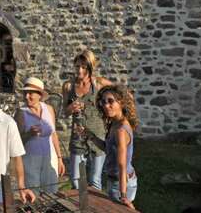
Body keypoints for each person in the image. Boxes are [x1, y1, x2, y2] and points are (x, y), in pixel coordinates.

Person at [62, 50, 112, 190]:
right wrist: (71, 108)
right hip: (78, 138)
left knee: (95, 181)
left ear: (90, 67)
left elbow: (118, 94)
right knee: (76, 180)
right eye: (77, 66)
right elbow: (64, 112)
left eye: (84, 67)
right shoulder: (68, 86)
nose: (80, 70)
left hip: (97, 137)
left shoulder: (99, 83)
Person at [84, 85, 138, 210]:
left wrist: (123, 195)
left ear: (121, 102)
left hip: (121, 183)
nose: (106, 105)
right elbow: (108, 149)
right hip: (116, 180)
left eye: (110, 101)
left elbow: (122, 164)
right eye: (103, 102)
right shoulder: (114, 123)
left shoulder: (120, 130)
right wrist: (90, 136)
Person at [14, 77, 65, 195]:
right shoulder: (21, 113)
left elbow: (53, 134)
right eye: (25, 93)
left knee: (51, 192)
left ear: (40, 95)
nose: (26, 97)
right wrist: (29, 134)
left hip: (49, 158)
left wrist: (59, 159)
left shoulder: (49, 109)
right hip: (30, 160)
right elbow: (16, 142)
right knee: (33, 194)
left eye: (30, 93)